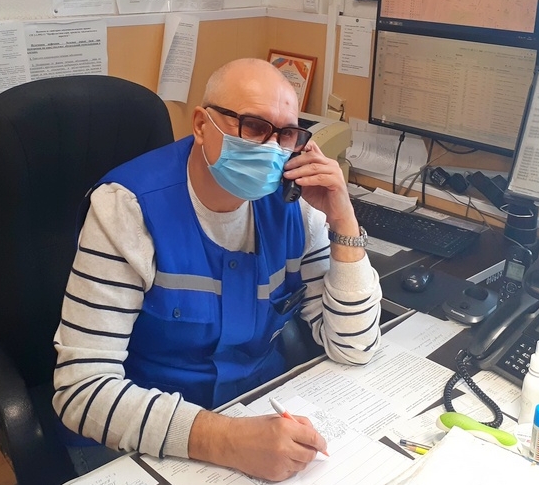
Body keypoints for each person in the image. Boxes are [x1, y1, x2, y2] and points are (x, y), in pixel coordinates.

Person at [53, 58, 382, 481]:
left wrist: (343, 221)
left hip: (261, 414)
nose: (271, 149)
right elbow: (82, 391)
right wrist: (228, 440)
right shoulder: (126, 209)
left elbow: (354, 346)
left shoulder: (297, 205)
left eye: (285, 134)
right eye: (253, 126)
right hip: (141, 438)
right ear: (201, 125)